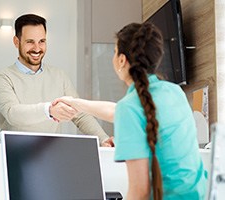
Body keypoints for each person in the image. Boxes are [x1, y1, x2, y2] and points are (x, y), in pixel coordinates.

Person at [53, 22, 207, 199]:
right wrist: (75, 103)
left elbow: (139, 192)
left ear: (121, 60)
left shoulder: (131, 107)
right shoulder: (174, 92)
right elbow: (118, 111)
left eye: (115, 51)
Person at [0, 14, 113, 146]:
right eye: (30, 42)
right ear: (16, 42)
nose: (37, 48)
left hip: (50, 153)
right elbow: (13, 114)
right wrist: (49, 110)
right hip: (14, 153)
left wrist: (103, 139)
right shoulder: (2, 77)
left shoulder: (59, 76)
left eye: (42, 41)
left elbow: (80, 114)